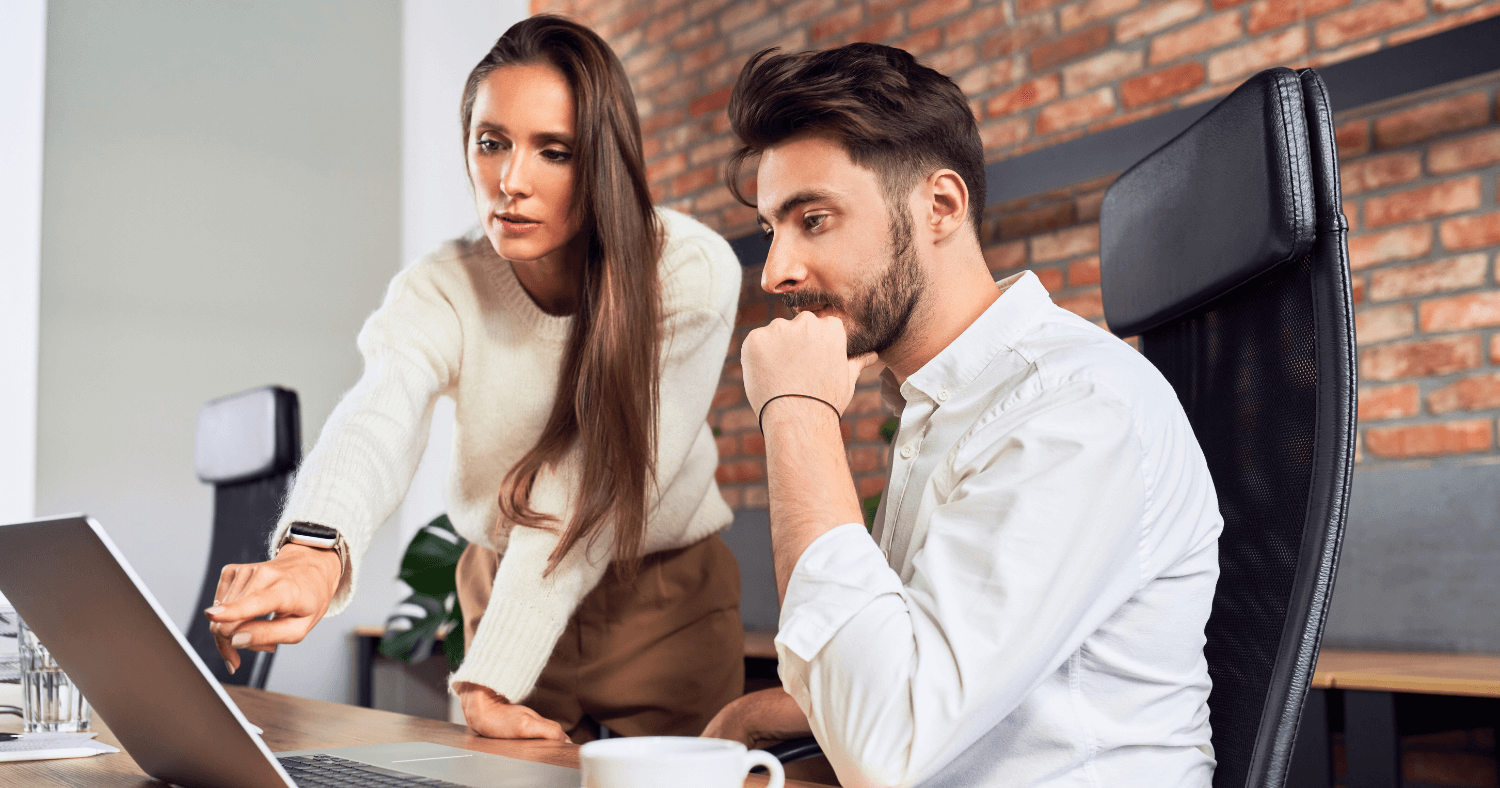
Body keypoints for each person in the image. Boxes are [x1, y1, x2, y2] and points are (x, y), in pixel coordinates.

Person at [203, 15, 745, 743]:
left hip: (662, 605)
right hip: (502, 587)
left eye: (553, 151)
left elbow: (596, 480)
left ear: (603, 161)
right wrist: (312, 551)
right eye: (492, 143)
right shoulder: (442, 286)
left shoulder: (687, 269)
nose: (510, 182)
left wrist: (491, 671)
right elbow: (378, 413)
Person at [701, 44, 1223, 787]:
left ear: (940, 206)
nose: (778, 269)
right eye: (770, 231)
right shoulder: (945, 407)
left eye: (812, 219)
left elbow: (886, 741)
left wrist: (796, 411)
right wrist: (766, 715)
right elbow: (925, 669)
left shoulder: (1071, 412)